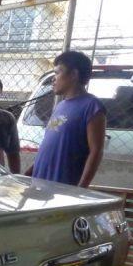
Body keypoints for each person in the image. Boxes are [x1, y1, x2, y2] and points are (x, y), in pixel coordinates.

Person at [29, 51, 107, 188]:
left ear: (73, 75)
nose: (54, 79)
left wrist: (80, 189)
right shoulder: (60, 106)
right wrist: (29, 173)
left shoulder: (92, 106)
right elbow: (50, 147)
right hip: (40, 183)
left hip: (63, 187)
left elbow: (96, 151)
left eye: (57, 73)